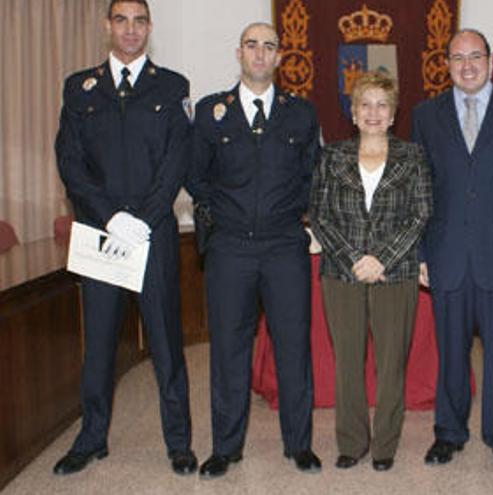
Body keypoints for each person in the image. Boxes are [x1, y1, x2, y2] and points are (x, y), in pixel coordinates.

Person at [53, 0, 197, 476]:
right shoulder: (80, 88)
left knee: (165, 342)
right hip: (101, 235)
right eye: (122, 20)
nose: (131, 30)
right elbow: (70, 162)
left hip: (153, 235)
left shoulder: (172, 85)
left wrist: (144, 217)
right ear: (107, 26)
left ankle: (178, 442)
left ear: (149, 28)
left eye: (139, 21)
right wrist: (111, 217)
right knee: (97, 346)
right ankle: (92, 438)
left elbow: (177, 159)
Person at [186, 22, 322, 478]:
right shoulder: (210, 113)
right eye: (252, 46)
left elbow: (312, 176)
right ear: (239, 53)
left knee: (293, 347)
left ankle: (298, 445)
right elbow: (195, 174)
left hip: (284, 245)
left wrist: (290, 211)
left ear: (280, 57)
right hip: (229, 249)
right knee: (228, 349)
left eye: (269, 47)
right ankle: (226, 447)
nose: (260, 54)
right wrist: (221, 214)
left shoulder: (300, 114)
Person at [411, 28, 493, 469]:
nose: (467, 65)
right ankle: (449, 432)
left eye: (476, 56)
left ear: (489, 60)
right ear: (445, 63)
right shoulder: (425, 116)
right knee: (450, 351)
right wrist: (420, 255)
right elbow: (419, 191)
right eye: (458, 57)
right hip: (445, 253)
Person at [309, 71, 432, 472]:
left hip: (394, 273)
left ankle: (384, 444)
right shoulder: (332, 156)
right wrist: (353, 260)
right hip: (340, 273)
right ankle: (351, 441)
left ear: (394, 113)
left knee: (391, 362)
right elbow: (321, 216)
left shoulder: (413, 156)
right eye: (366, 104)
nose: (374, 112)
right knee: (346, 360)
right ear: (354, 111)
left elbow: (420, 213)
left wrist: (381, 258)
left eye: (382, 105)